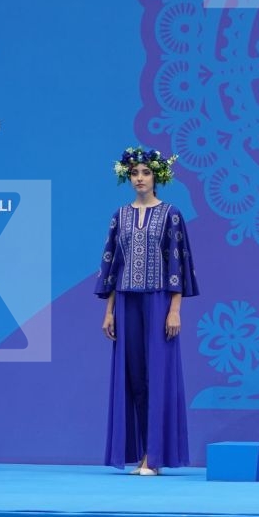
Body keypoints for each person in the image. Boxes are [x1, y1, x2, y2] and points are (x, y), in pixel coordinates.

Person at [97, 145, 198, 474]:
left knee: (158, 376)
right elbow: (113, 264)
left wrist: (175, 308)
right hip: (126, 300)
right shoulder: (120, 216)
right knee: (135, 379)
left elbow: (178, 263)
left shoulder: (171, 214)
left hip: (158, 301)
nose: (140, 178)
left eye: (146, 173)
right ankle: (140, 451)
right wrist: (109, 310)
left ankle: (153, 457)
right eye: (135, 173)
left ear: (158, 177)